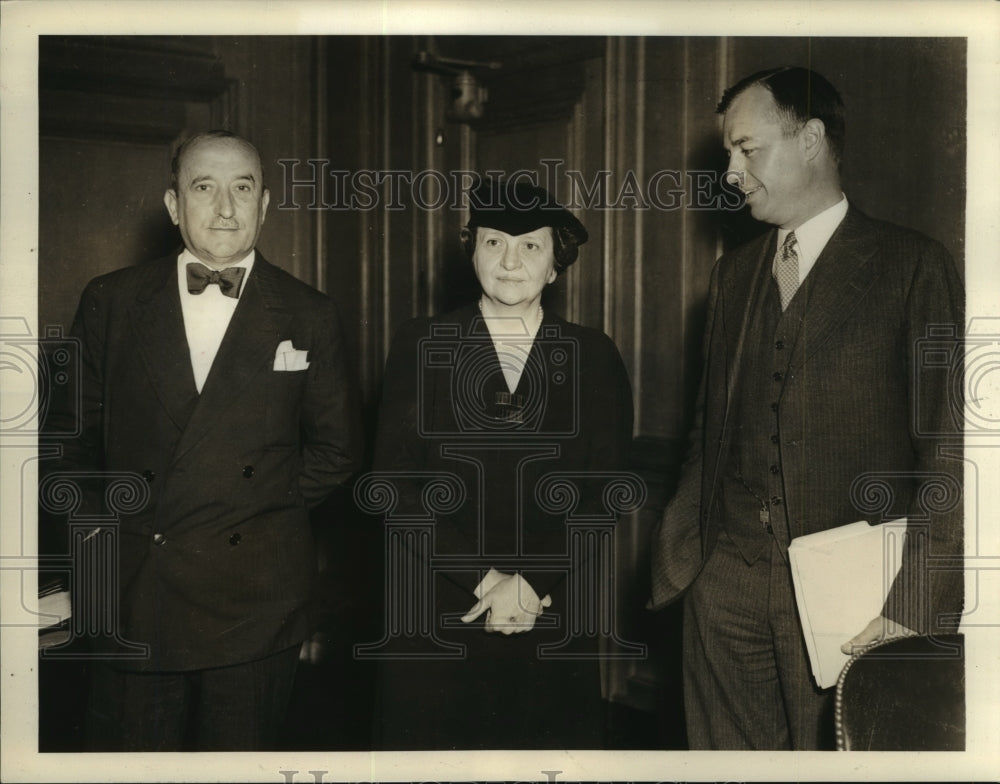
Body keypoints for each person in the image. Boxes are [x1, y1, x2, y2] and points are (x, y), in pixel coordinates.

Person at [649, 67, 964, 750]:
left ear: (813, 138)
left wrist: (910, 606)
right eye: (729, 153)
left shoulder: (913, 266)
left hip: (850, 600)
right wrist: (698, 568)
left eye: (747, 149)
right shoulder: (734, 274)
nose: (731, 172)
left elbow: (949, 447)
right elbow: (711, 428)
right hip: (725, 588)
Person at [52, 130, 362, 750]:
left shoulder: (309, 312)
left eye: (242, 188)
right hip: (135, 594)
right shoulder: (111, 301)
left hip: (256, 599)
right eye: (204, 188)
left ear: (266, 205)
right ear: (173, 206)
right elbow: (66, 447)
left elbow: (338, 451)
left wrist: (254, 507)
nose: (225, 208)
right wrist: (102, 556)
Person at [369, 179, 634, 749]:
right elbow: (393, 487)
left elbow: (607, 491)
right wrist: (487, 580)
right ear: (472, 254)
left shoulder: (594, 354)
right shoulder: (421, 344)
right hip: (437, 608)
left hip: (550, 610)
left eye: (531, 247)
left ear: (556, 266)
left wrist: (530, 582)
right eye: (493, 244)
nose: (510, 261)